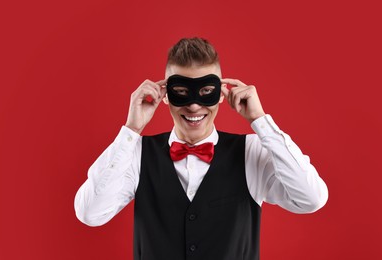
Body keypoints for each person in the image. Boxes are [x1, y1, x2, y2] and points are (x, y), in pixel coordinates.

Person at [74, 37, 328, 260]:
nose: (194, 106)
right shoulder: (136, 153)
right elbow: (90, 213)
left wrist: (260, 121)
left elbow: (311, 199)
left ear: (220, 94)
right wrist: (131, 130)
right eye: (182, 92)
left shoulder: (251, 151)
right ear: (165, 95)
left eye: (206, 91)